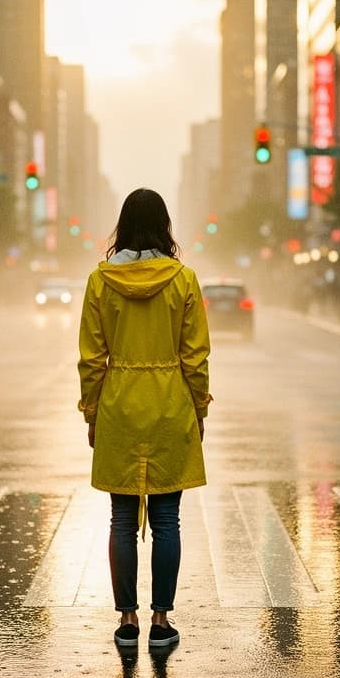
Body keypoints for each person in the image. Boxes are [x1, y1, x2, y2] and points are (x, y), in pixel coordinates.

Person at [77, 188, 212, 650]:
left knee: (120, 519)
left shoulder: (99, 282)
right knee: (167, 520)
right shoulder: (184, 280)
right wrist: (199, 409)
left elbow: (92, 358)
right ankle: (161, 620)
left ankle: (127, 620)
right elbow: (195, 357)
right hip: (170, 407)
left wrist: (92, 412)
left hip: (119, 407)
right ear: (164, 226)